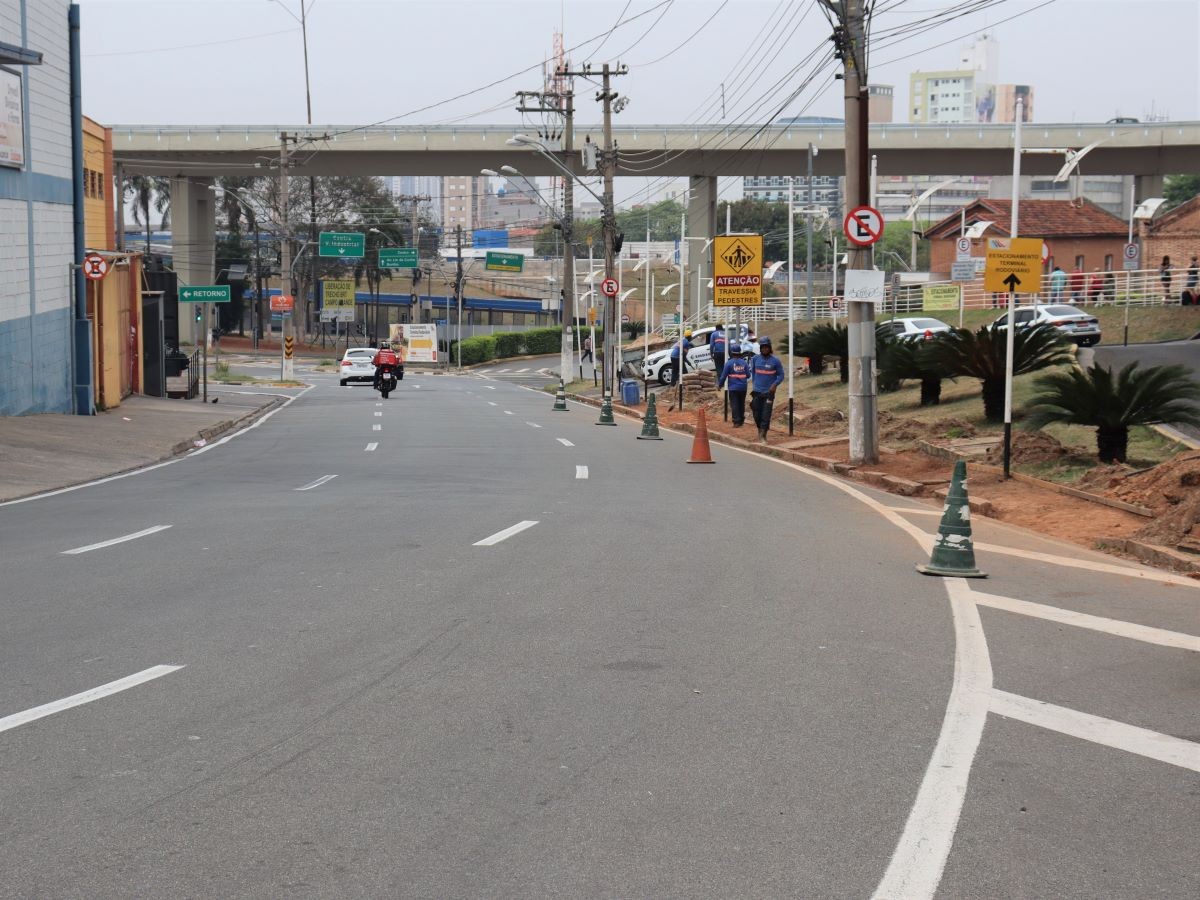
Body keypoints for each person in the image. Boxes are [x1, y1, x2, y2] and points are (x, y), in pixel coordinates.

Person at [748, 336, 785, 443]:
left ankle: (763, 435)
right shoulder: (755, 359)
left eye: (766, 347)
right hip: (757, 392)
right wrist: (755, 385)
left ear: (770, 348)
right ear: (760, 348)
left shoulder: (775, 361)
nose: (765, 349)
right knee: (756, 413)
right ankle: (760, 429)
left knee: (766, 414)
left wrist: (774, 385)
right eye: (763, 347)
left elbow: (781, 375)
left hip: (769, 393)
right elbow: (753, 373)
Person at [717, 343, 750, 426]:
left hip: (733, 387)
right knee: (741, 403)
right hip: (743, 387)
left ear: (731, 352)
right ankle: (741, 420)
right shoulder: (744, 363)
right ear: (740, 352)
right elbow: (748, 375)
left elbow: (723, 376)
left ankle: (736, 421)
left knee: (734, 404)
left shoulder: (729, 363)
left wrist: (720, 385)